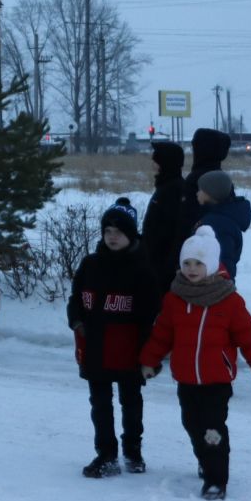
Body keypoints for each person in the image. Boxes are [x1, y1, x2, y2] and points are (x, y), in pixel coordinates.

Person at [139, 226, 251, 500]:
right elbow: (162, 333)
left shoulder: (229, 300)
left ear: (210, 265)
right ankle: (205, 460)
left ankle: (215, 480)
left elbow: (248, 337)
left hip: (216, 380)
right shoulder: (175, 298)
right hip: (186, 378)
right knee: (191, 424)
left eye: (198, 263)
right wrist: (149, 360)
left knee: (212, 429)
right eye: (186, 263)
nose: (191, 268)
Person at [67, 198, 163, 478]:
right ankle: (106, 455)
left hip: (128, 351)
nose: (112, 236)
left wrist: (150, 356)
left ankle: (133, 451)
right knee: (99, 403)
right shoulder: (90, 264)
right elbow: (75, 298)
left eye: (118, 231)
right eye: (107, 231)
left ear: (130, 234)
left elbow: (151, 316)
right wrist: (76, 321)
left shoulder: (142, 270)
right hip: (95, 347)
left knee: (131, 403)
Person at [192, 170, 251, 279]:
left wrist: (219, 289)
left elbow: (224, 262)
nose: (197, 193)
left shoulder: (218, 225)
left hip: (213, 288)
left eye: (200, 190)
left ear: (210, 194)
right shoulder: (214, 217)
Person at [142, 140, 186, 277]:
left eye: (156, 160)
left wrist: (166, 266)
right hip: (157, 261)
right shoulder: (166, 186)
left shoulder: (173, 189)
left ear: (165, 163)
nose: (153, 164)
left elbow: (171, 230)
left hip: (163, 265)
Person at [179, 127, 231, 241]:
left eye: (195, 147)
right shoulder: (223, 179)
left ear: (203, 150)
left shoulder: (197, 179)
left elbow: (185, 219)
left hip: (195, 248)